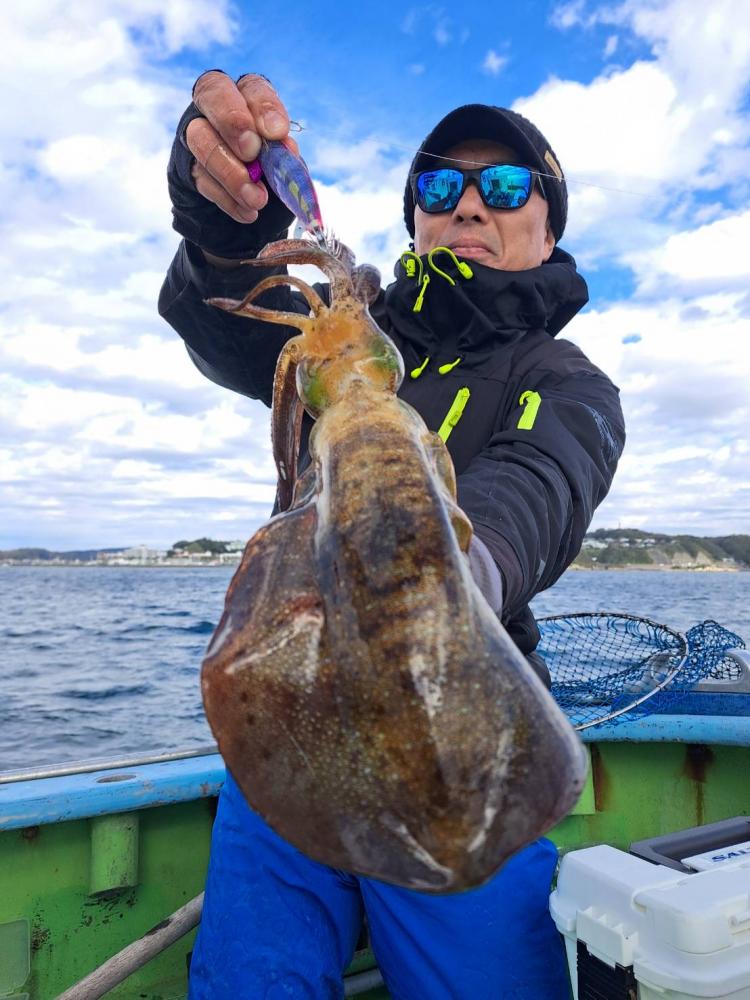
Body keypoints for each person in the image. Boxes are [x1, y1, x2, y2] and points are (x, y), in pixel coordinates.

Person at [159, 71, 625, 1000]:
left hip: (467, 727)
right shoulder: (355, 335)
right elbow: (225, 323)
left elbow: (537, 492)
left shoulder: (566, 381)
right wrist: (222, 231)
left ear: (549, 228)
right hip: (295, 717)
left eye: (505, 186)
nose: (468, 205)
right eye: (440, 186)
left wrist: (445, 568)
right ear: (415, 219)